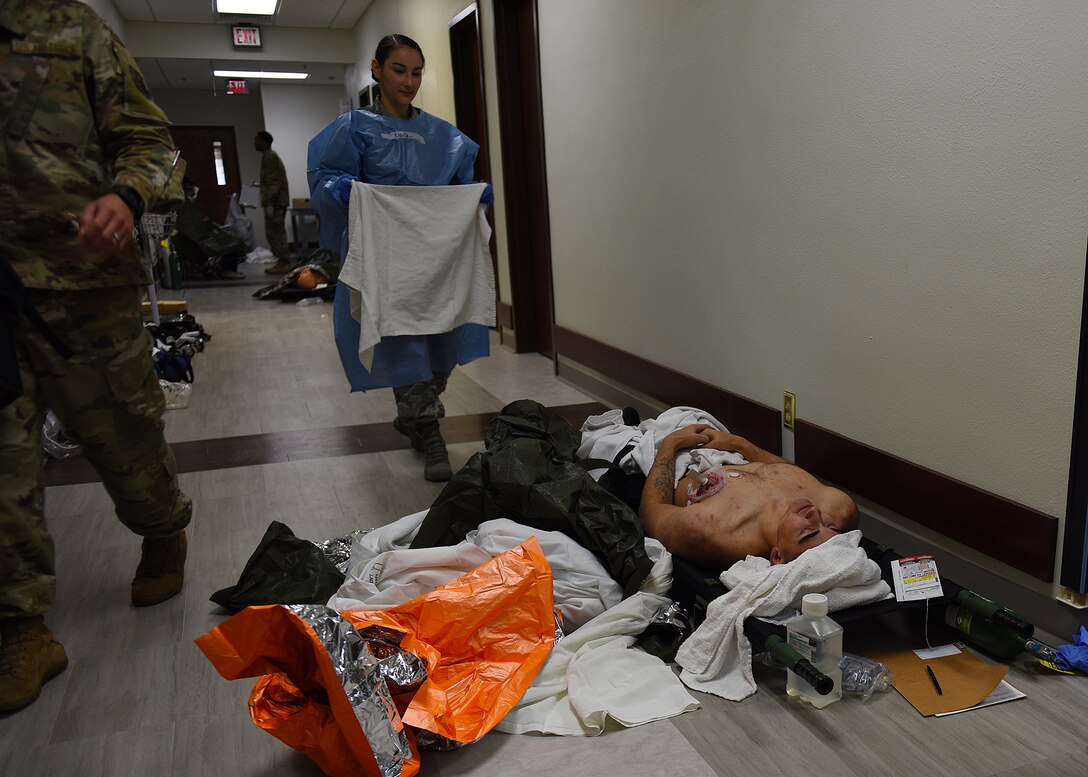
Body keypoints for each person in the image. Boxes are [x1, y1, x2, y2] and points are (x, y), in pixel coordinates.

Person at [0, 0, 192, 713]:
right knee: (4, 459)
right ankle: (20, 624)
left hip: (82, 282)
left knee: (122, 433)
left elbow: (149, 140)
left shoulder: (72, 31)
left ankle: (163, 526)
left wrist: (126, 195)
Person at [308, 33, 492, 481]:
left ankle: (414, 414)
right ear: (376, 69)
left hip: (437, 259)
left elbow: (457, 183)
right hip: (389, 261)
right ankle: (429, 433)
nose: (408, 81)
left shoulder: (441, 136)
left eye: (416, 72)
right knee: (403, 339)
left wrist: (474, 198)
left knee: (442, 340)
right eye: (398, 70)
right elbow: (327, 179)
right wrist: (346, 190)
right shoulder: (354, 128)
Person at [639, 425, 859, 568]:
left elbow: (652, 510)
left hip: (676, 460)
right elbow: (791, 473)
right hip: (727, 440)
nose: (814, 513)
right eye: (830, 525)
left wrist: (670, 444)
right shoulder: (838, 508)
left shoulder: (713, 531)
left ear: (777, 556)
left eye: (807, 530)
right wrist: (740, 444)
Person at [254, 131, 292, 275]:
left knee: (276, 232)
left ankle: (284, 262)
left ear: (264, 141)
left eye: (256, 140)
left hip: (276, 202)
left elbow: (273, 182)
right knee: (274, 232)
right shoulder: (268, 156)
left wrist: (269, 202)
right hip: (276, 201)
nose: (254, 143)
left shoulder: (270, 157)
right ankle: (281, 260)